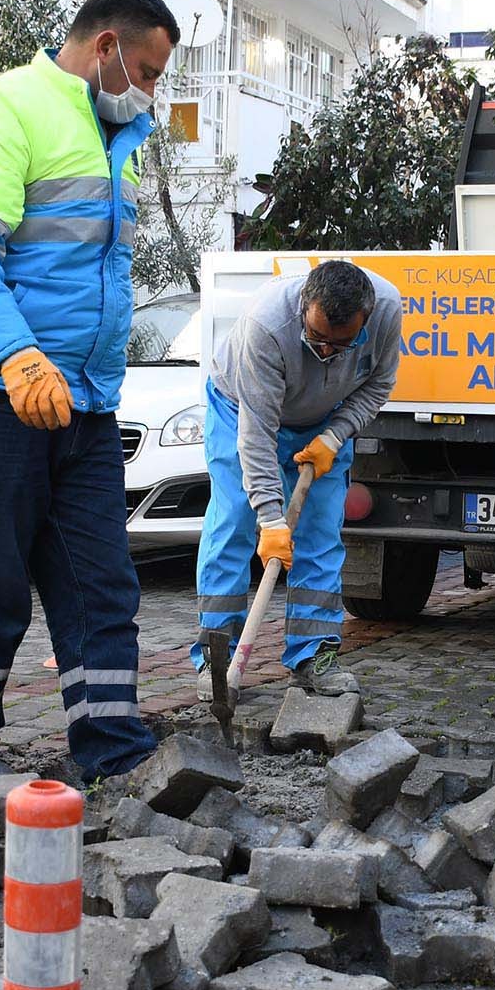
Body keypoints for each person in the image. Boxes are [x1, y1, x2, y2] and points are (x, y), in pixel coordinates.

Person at [0, 0, 180, 782]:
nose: (150, 89)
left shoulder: (118, 135)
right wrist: (17, 356)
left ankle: (111, 747)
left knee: (100, 579)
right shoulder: (3, 110)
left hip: (87, 404)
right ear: (104, 47)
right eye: (145, 69)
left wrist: (82, 376)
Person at [192, 260, 403, 696]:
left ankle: (314, 655)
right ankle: (217, 658)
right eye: (317, 339)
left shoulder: (386, 309)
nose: (326, 352)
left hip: (326, 422)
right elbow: (256, 437)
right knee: (233, 523)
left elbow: (379, 385)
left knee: (321, 534)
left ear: (364, 320)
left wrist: (335, 434)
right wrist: (270, 520)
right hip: (241, 410)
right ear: (304, 305)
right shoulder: (266, 325)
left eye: (341, 345)